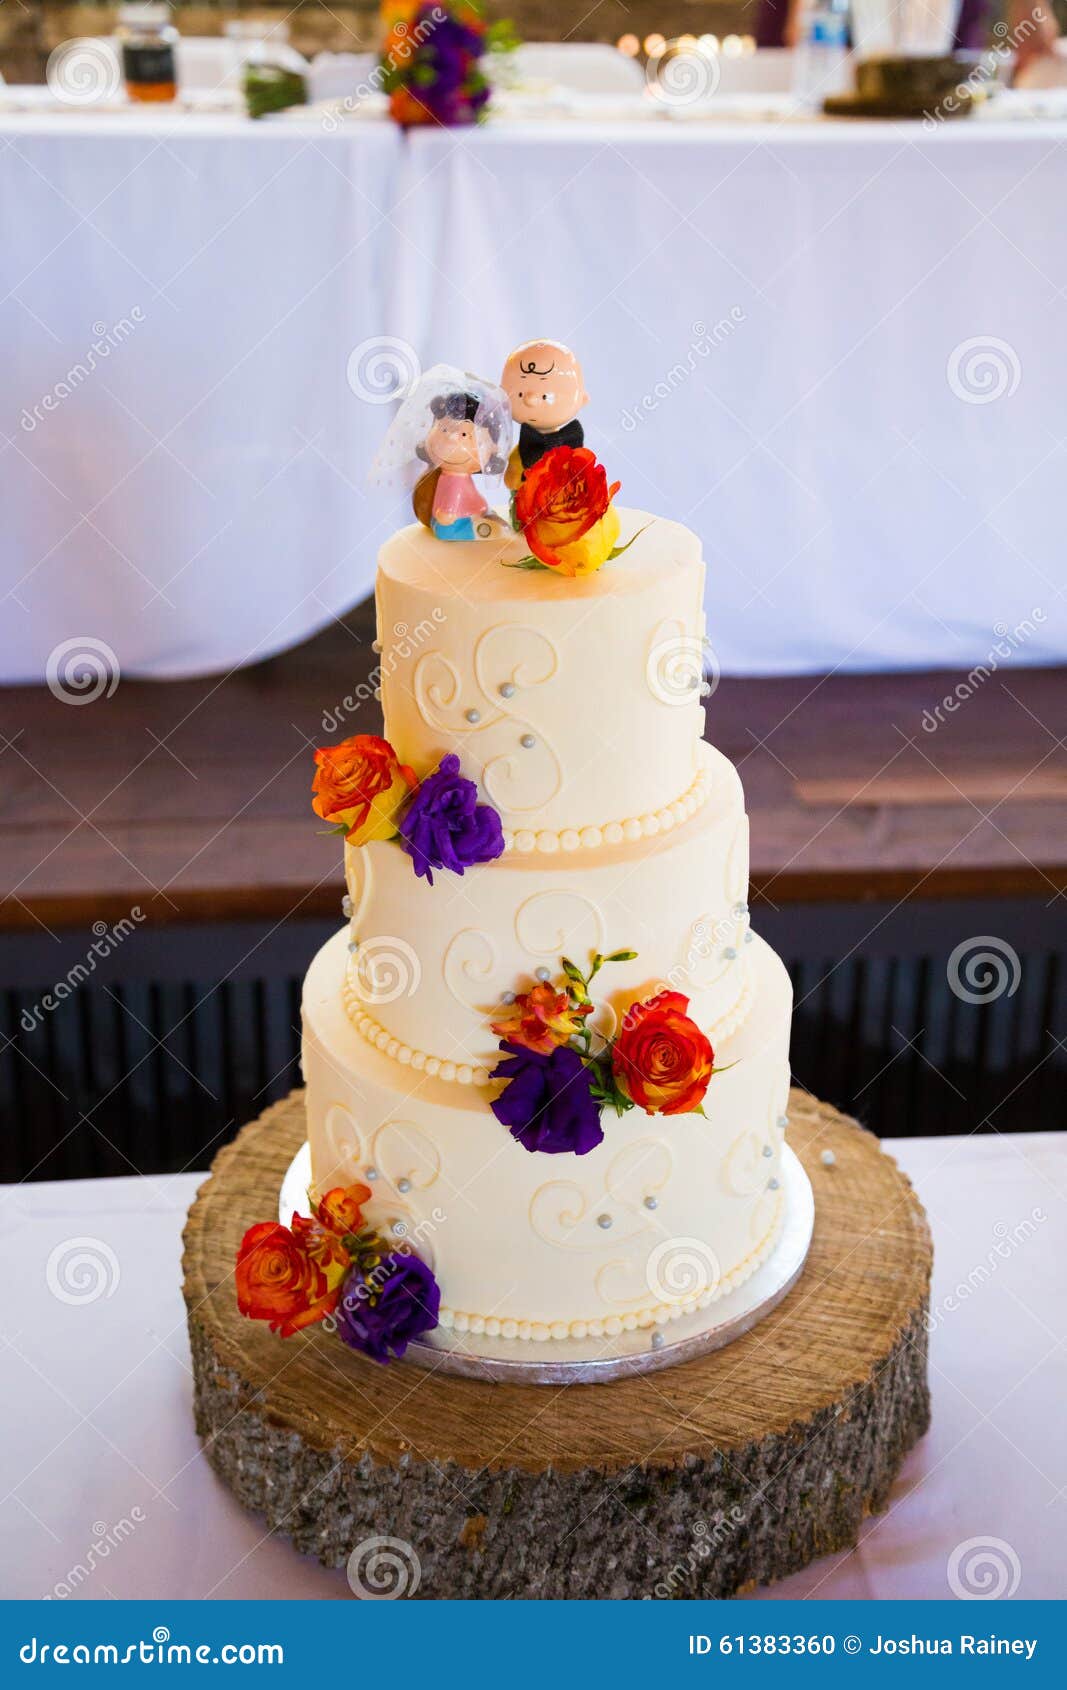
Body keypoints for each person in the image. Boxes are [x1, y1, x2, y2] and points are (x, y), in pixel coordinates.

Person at [500, 339, 589, 490]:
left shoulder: (572, 451)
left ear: (582, 399)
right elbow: (511, 481)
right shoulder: (522, 452)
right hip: (524, 508)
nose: (531, 400)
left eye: (545, 396)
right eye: (520, 394)